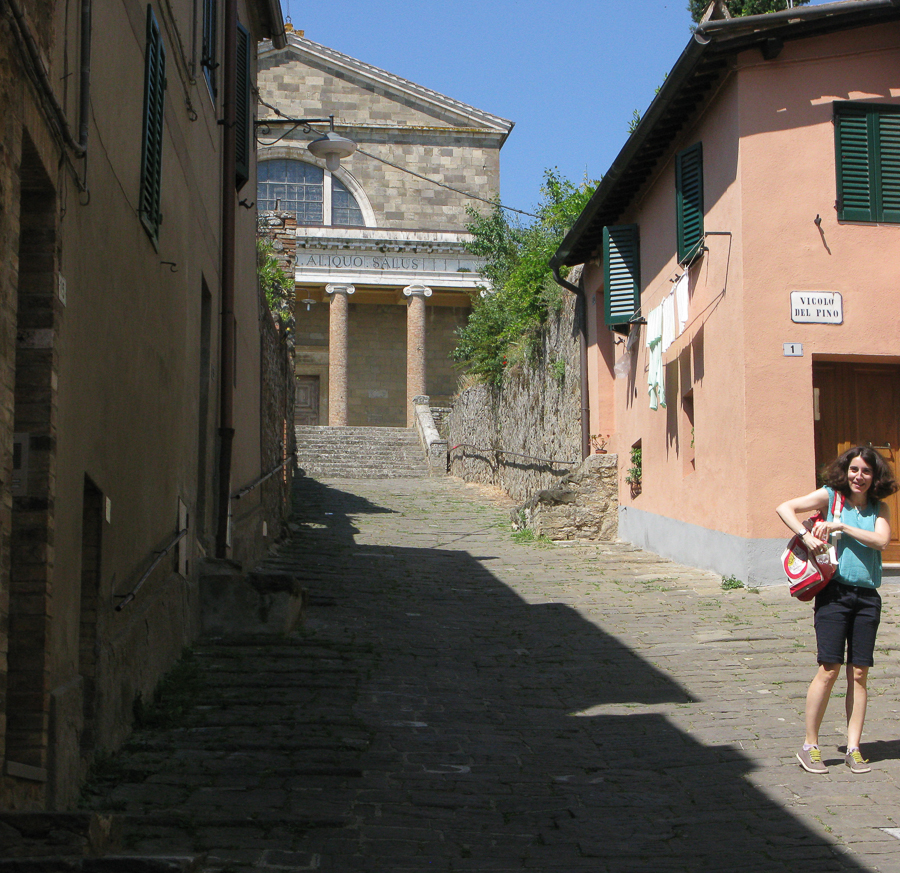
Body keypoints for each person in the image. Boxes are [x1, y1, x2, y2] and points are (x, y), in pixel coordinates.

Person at [776, 445, 897, 775]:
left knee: (859, 674)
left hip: (867, 598)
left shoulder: (879, 508)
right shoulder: (831, 497)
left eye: (866, 471)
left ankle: (854, 748)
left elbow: (881, 541)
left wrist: (839, 528)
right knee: (829, 669)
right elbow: (784, 507)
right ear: (846, 471)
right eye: (854, 469)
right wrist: (806, 535)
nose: (859, 476)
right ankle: (810, 745)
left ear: (875, 477)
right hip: (834, 595)